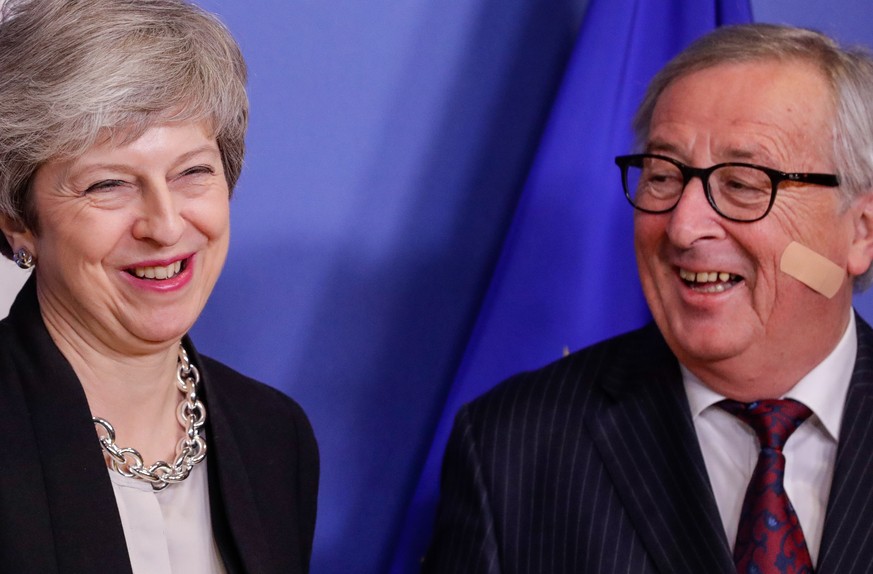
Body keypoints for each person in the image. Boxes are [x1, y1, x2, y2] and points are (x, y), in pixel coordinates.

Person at [424, 23, 873, 574]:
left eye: (742, 182)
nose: (683, 226)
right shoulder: (513, 447)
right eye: (662, 176)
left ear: (861, 232)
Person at [0, 0, 318, 572]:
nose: (166, 225)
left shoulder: (273, 436)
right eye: (109, 185)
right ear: (16, 218)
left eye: (192, 172)